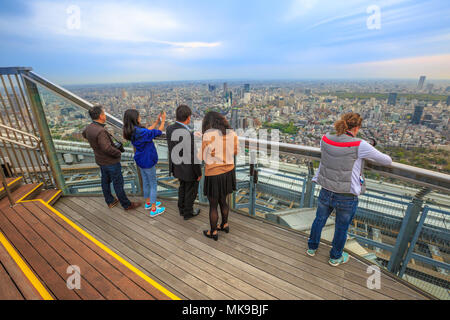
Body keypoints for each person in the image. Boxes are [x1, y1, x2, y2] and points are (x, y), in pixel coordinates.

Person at [307, 112, 392, 266]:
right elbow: (387, 161)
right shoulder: (360, 145)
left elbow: (334, 151)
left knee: (319, 220)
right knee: (341, 227)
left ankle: (312, 248)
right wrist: (364, 150)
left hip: (326, 188)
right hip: (346, 195)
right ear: (357, 127)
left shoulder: (325, 138)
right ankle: (335, 257)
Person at [82, 105, 140, 211]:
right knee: (118, 183)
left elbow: (84, 134)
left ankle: (110, 201)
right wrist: (118, 153)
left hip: (100, 160)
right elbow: (107, 148)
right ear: (100, 116)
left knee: (105, 181)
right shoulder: (101, 131)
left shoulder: (89, 127)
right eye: (104, 113)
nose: (105, 115)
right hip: (110, 162)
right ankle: (126, 204)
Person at [198, 111, 238, 241]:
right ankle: (225, 224)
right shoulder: (232, 134)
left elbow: (201, 157)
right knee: (224, 201)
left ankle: (214, 231)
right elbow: (235, 151)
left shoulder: (208, 136)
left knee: (213, 205)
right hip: (228, 172)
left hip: (214, 174)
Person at [123, 109, 166, 217]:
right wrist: (163, 121)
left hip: (140, 159)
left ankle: (148, 202)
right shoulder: (141, 132)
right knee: (153, 184)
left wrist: (156, 122)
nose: (140, 117)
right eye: (138, 116)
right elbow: (158, 132)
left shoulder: (132, 130)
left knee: (146, 181)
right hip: (148, 160)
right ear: (135, 119)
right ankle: (153, 209)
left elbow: (148, 131)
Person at [166, 105, 202, 220]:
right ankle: (188, 212)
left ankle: (181, 208)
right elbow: (193, 156)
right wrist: (199, 173)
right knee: (191, 191)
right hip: (189, 169)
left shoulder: (169, 129)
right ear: (188, 118)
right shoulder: (187, 134)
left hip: (177, 166)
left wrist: (191, 133)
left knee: (182, 187)